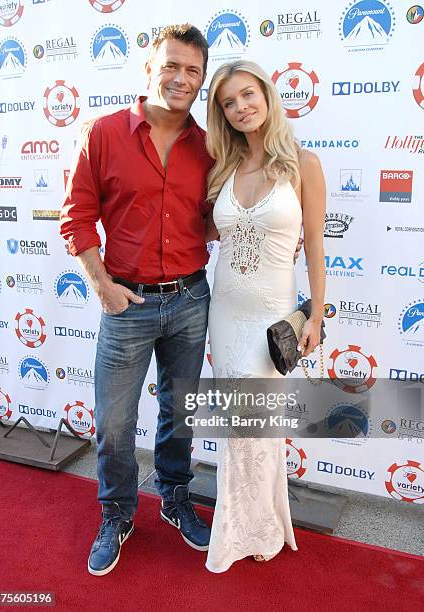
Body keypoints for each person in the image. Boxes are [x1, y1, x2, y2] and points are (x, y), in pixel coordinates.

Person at [60, 24, 215, 576]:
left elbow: (222, 216)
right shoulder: (102, 133)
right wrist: (102, 286)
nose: (180, 78)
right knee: (115, 422)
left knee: (179, 414)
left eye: (192, 70)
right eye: (170, 65)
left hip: (192, 298)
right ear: (149, 69)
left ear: (201, 80)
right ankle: (118, 512)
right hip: (126, 302)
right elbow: (76, 216)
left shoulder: (210, 144)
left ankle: (175, 500)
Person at [204, 60, 326, 573]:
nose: (241, 108)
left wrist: (316, 316)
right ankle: (238, 528)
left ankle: (263, 527)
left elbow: (316, 245)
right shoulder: (223, 169)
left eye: (247, 95)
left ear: (268, 96)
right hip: (225, 312)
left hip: (272, 322)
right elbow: (213, 234)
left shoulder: (304, 164)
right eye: (229, 103)